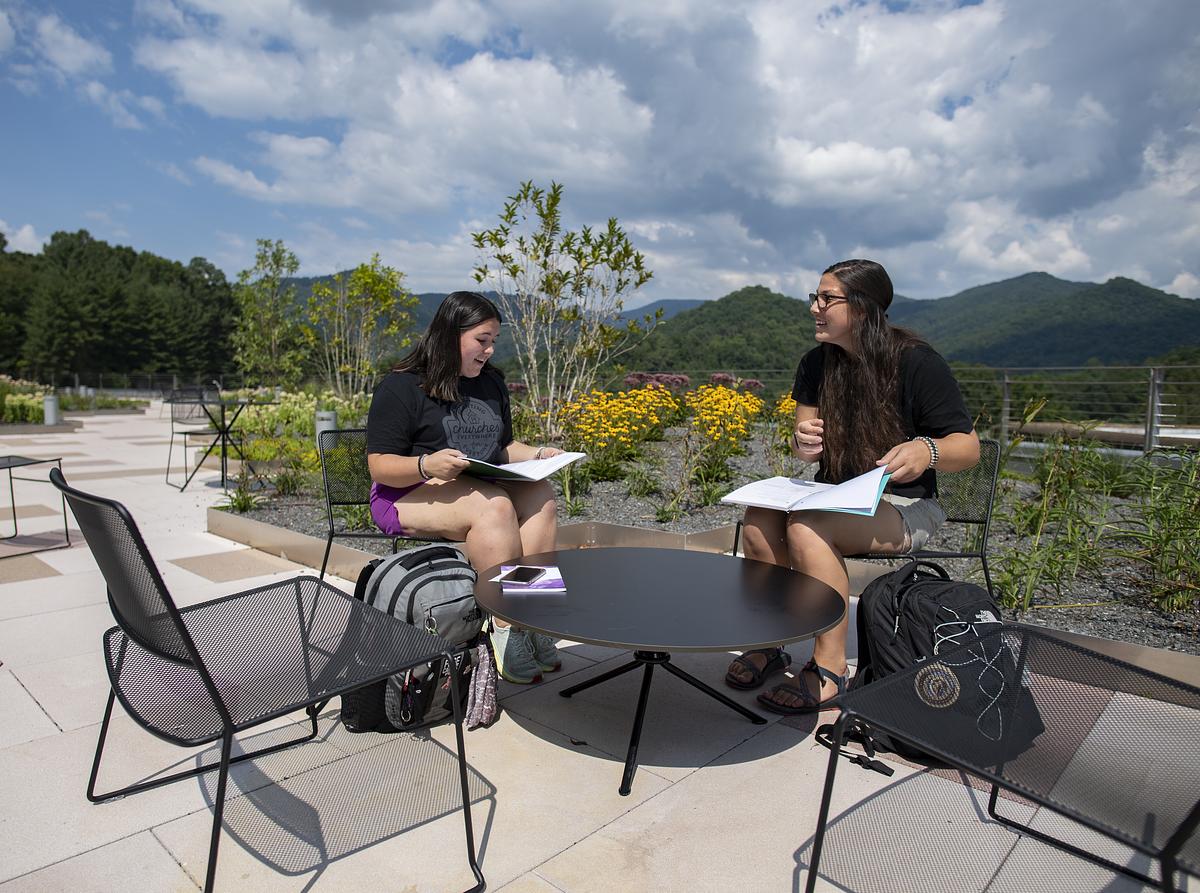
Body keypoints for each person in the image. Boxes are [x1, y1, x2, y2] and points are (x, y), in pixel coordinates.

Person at [725, 259, 980, 713]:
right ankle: (770, 642)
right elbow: (807, 441)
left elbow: (968, 447)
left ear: (862, 308)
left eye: (827, 299)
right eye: (815, 298)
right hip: (832, 496)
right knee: (760, 519)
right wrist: (803, 442)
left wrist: (927, 451)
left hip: (904, 505)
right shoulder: (816, 364)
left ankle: (830, 668)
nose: (815, 308)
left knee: (807, 527)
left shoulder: (915, 363)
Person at [366, 290, 563, 685]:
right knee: (495, 508)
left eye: (493, 342)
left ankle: (532, 617)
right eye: (482, 340)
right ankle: (504, 626)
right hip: (405, 493)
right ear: (450, 335)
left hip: (476, 481)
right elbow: (379, 465)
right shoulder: (402, 387)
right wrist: (426, 464)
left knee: (542, 497)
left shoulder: (489, 383)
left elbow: (502, 447)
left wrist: (539, 453)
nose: (489, 351)